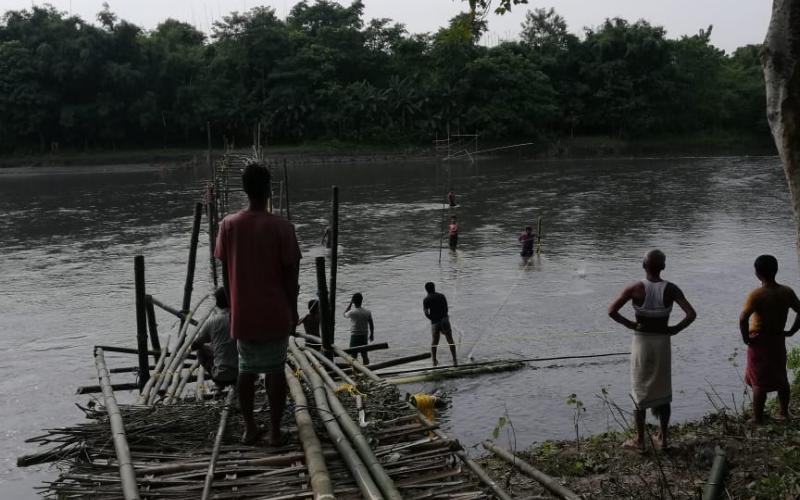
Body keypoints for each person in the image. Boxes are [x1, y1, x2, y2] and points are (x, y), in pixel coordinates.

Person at [215, 160, 301, 447]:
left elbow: (225, 273)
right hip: (275, 312)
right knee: (275, 369)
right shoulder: (283, 228)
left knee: (246, 368)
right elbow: (292, 277)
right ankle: (275, 431)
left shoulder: (228, 225)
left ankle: (250, 428)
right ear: (268, 190)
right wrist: (293, 310)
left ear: (244, 190)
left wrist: (234, 305)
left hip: (244, 314)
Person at [608, 249, 696, 451]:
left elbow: (611, 311)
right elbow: (691, 314)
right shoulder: (671, 289)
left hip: (642, 343)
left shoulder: (635, 288)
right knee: (663, 389)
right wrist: (674, 329)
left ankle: (640, 440)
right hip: (662, 343)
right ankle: (663, 439)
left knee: (639, 389)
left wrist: (630, 325)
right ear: (663, 267)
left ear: (643, 265)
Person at [739, 255, 800, 424]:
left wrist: (746, 338)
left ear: (758, 273)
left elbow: (743, 318)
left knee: (758, 381)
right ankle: (783, 413)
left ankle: (758, 418)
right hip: (778, 339)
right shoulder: (786, 291)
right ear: (776, 270)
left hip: (759, 341)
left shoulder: (757, 294)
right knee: (781, 377)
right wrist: (792, 331)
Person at [191, 287, 238, 389]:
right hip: (244, 373)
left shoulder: (212, 321)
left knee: (201, 351)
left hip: (221, 376)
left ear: (217, 303)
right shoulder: (239, 317)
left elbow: (195, 345)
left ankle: (218, 381)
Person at [423, 282, 458, 366]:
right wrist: (444, 317)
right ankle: (454, 359)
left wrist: (432, 319)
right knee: (450, 339)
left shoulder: (426, 299)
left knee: (435, 341)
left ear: (426, 290)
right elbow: (446, 309)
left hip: (435, 322)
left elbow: (426, 313)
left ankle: (434, 361)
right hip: (444, 320)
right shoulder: (442, 296)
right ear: (434, 288)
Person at [344, 293, 375, 364]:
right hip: (364, 336)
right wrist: (372, 334)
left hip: (355, 336)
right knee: (364, 355)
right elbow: (371, 325)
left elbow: (344, 314)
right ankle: (367, 369)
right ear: (362, 300)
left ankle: (355, 371)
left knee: (353, 356)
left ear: (353, 301)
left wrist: (350, 304)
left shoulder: (352, 312)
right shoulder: (367, 312)